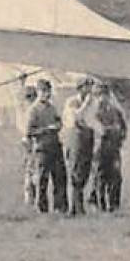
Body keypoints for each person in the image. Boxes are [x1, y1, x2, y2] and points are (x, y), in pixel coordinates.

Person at [22, 79, 66, 212]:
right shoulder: (33, 110)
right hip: (42, 148)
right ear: (38, 92)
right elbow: (29, 131)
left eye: (48, 91)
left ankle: (60, 206)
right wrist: (46, 129)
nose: (46, 94)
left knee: (60, 177)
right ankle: (42, 207)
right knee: (42, 179)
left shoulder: (52, 108)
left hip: (55, 145)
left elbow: (59, 122)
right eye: (43, 91)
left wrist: (57, 126)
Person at [59, 78, 97, 216]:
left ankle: (79, 206)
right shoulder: (72, 102)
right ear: (81, 88)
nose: (90, 90)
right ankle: (73, 208)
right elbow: (76, 118)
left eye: (91, 87)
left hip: (87, 136)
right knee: (74, 172)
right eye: (87, 87)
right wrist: (85, 105)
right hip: (74, 136)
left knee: (84, 171)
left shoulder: (93, 102)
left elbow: (92, 120)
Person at [90, 82, 127, 212]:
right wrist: (112, 129)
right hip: (99, 149)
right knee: (100, 177)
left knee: (116, 177)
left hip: (114, 148)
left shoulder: (115, 111)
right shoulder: (92, 112)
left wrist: (119, 136)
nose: (102, 98)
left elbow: (122, 128)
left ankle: (114, 205)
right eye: (98, 95)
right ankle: (101, 205)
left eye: (104, 95)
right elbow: (100, 130)